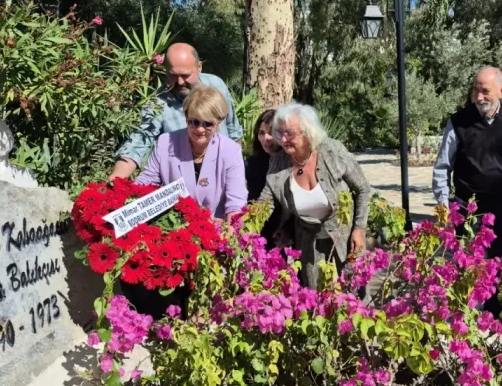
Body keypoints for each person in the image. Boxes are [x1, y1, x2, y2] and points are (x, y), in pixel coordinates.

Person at [432, 66, 502, 258]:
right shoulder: (459, 121)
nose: (479, 97)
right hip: (467, 207)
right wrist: (443, 204)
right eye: (476, 90)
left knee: (498, 263)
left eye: (485, 91)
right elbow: (443, 165)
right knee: (467, 264)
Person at [260, 103, 372, 289]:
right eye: (279, 133)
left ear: (307, 132)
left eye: (289, 133)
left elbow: (363, 189)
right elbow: (265, 201)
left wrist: (359, 229)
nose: (283, 139)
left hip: (344, 237)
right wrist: (244, 226)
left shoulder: (332, 151)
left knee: (352, 294)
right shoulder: (279, 161)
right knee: (317, 300)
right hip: (308, 242)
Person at [110, 43, 244, 181]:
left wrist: (238, 174)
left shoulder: (217, 85)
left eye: (185, 75)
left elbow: (234, 132)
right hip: (184, 186)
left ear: (199, 67)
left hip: (223, 176)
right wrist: (115, 181)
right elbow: (137, 145)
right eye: (173, 75)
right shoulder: (156, 104)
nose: (180, 82)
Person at [135, 85, 247, 219]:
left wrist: (232, 225)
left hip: (215, 228)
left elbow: (236, 201)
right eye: (194, 122)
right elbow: (146, 182)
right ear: (186, 117)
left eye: (208, 124)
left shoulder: (231, 151)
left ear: (219, 122)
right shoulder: (165, 143)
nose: (200, 129)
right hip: (173, 225)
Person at [245, 109, 288, 247]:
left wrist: (287, 228)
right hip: (256, 229)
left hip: (283, 231)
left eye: (271, 132)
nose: (266, 138)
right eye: (261, 133)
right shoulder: (251, 163)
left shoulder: (290, 162)